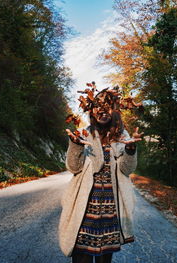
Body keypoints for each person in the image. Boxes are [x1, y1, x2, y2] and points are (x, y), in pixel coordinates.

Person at [58, 88, 143, 263]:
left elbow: (127, 170)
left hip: (110, 209)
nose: (103, 110)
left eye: (108, 106)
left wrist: (130, 149)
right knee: (81, 257)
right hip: (85, 207)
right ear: (91, 109)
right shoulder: (84, 133)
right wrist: (75, 146)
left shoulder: (122, 136)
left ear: (115, 110)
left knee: (105, 259)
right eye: (98, 106)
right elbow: (73, 168)